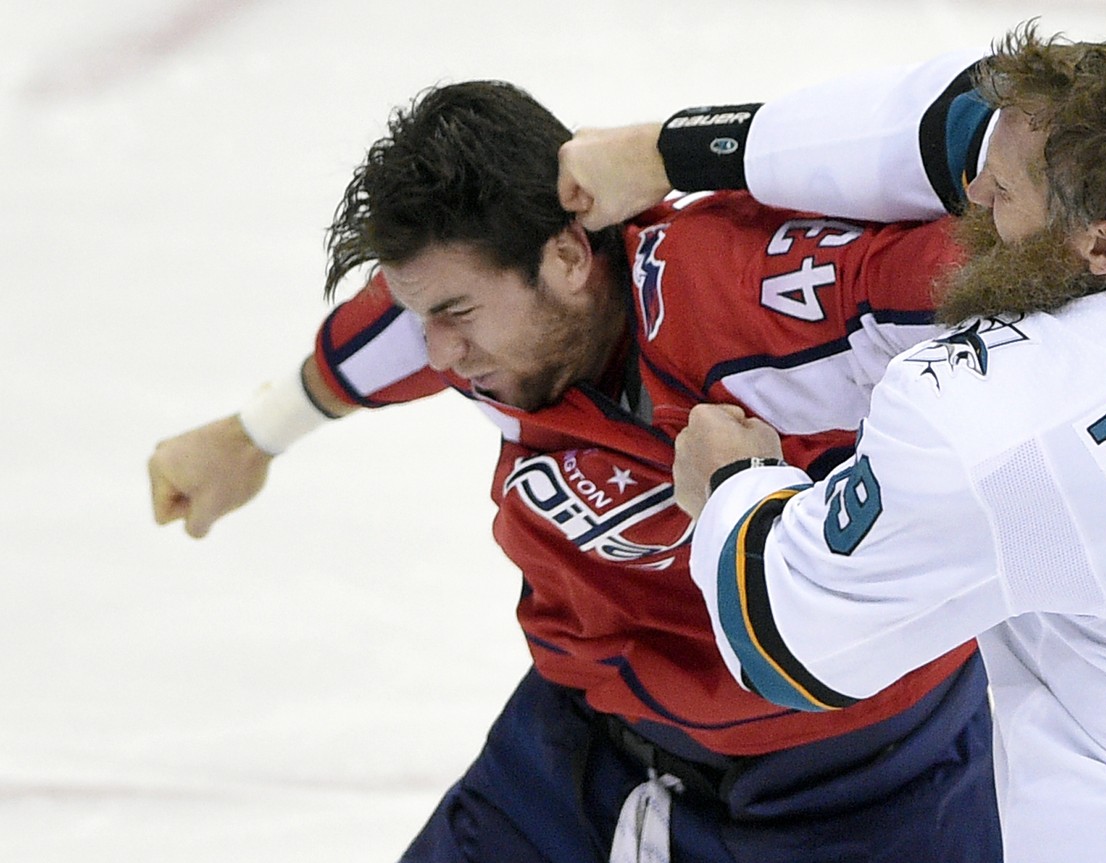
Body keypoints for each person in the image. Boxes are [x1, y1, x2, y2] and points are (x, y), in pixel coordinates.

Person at [564, 22, 1106, 863]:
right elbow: (958, 115)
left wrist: (736, 482)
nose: (972, 193)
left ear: (1101, 245)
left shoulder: (1002, 420)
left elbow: (790, 634)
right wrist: (667, 151)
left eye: (1006, 191)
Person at [146, 80, 1003, 862]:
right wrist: (248, 436)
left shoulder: (748, 296)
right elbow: (377, 338)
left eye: (455, 314)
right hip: (577, 750)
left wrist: (692, 146)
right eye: (424, 316)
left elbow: (1005, 258)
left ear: (565, 256)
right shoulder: (472, 313)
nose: (440, 352)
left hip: (866, 781)